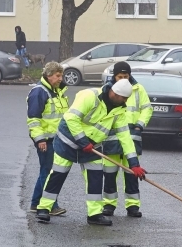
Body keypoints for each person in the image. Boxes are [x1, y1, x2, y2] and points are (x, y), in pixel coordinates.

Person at [36, 79, 147, 226]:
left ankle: (94, 214)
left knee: (95, 178)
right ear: (114, 93)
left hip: (92, 146)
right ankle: (44, 208)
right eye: (124, 98)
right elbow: (71, 118)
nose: (125, 101)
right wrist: (83, 141)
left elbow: (125, 137)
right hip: (68, 141)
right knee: (58, 174)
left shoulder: (119, 110)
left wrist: (134, 164)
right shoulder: (90, 96)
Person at [102, 61, 153, 218]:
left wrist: (139, 125)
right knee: (109, 173)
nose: (123, 79)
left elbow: (147, 108)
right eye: (120, 76)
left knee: (131, 172)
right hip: (112, 136)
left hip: (132, 135)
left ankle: (133, 206)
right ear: (114, 76)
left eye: (126, 76)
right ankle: (109, 205)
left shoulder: (138, 89)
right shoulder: (107, 90)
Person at [26, 61, 69, 216]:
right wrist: (40, 140)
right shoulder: (39, 92)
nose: (60, 78)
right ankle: (50, 205)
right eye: (58, 75)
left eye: (61, 75)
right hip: (46, 140)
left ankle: (36, 203)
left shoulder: (56, 91)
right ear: (49, 75)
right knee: (49, 172)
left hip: (55, 139)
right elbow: (33, 119)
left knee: (47, 170)